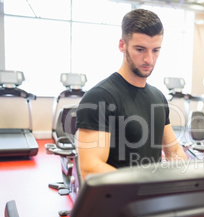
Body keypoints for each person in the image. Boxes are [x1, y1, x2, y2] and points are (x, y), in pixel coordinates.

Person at [76, 8, 187, 180]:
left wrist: (185, 179)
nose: (149, 59)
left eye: (155, 50)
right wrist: (144, 186)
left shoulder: (158, 97)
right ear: (122, 45)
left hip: (151, 201)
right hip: (118, 203)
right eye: (140, 49)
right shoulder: (98, 98)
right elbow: (90, 168)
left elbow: (174, 152)